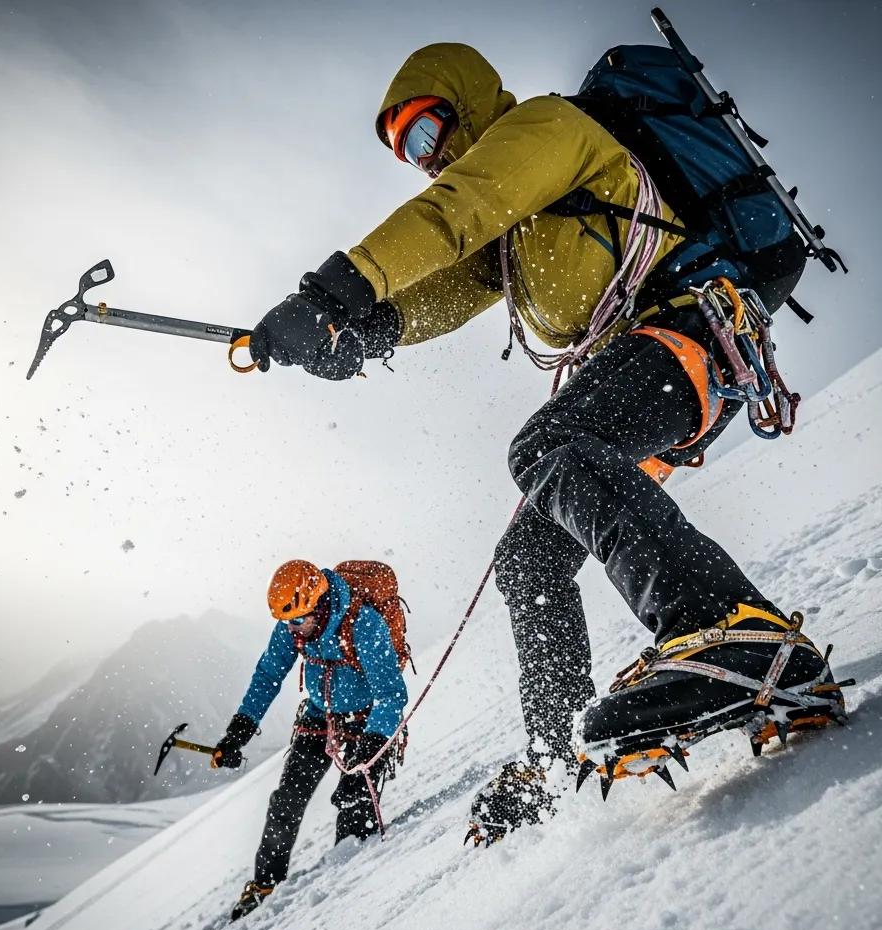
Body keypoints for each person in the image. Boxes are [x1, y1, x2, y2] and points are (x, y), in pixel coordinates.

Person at [241, 44, 845, 841]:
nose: (426, 161)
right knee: (529, 553)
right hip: (649, 359)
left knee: (545, 444)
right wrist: (363, 329)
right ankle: (554, 754)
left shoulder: (543, 128)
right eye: (409, 154)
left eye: (426, 133)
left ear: (466, 100)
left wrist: (329, 291)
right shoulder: (514, 226)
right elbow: (453, 285)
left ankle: (736, 634)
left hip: (691, 328)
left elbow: (453, 213)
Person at [213, 560, 408, 918]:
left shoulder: (363, 624)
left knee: (354, 803)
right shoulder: (294, 626)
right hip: (321, 714)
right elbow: (269, 674)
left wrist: (369, 748)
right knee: (286, 799)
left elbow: (392, 695)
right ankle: (264, 883)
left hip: (368, 722)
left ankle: (343, 891)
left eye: (298, 620)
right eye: (287, 621)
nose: (292, 629)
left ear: (319, 605)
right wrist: (239, 729)